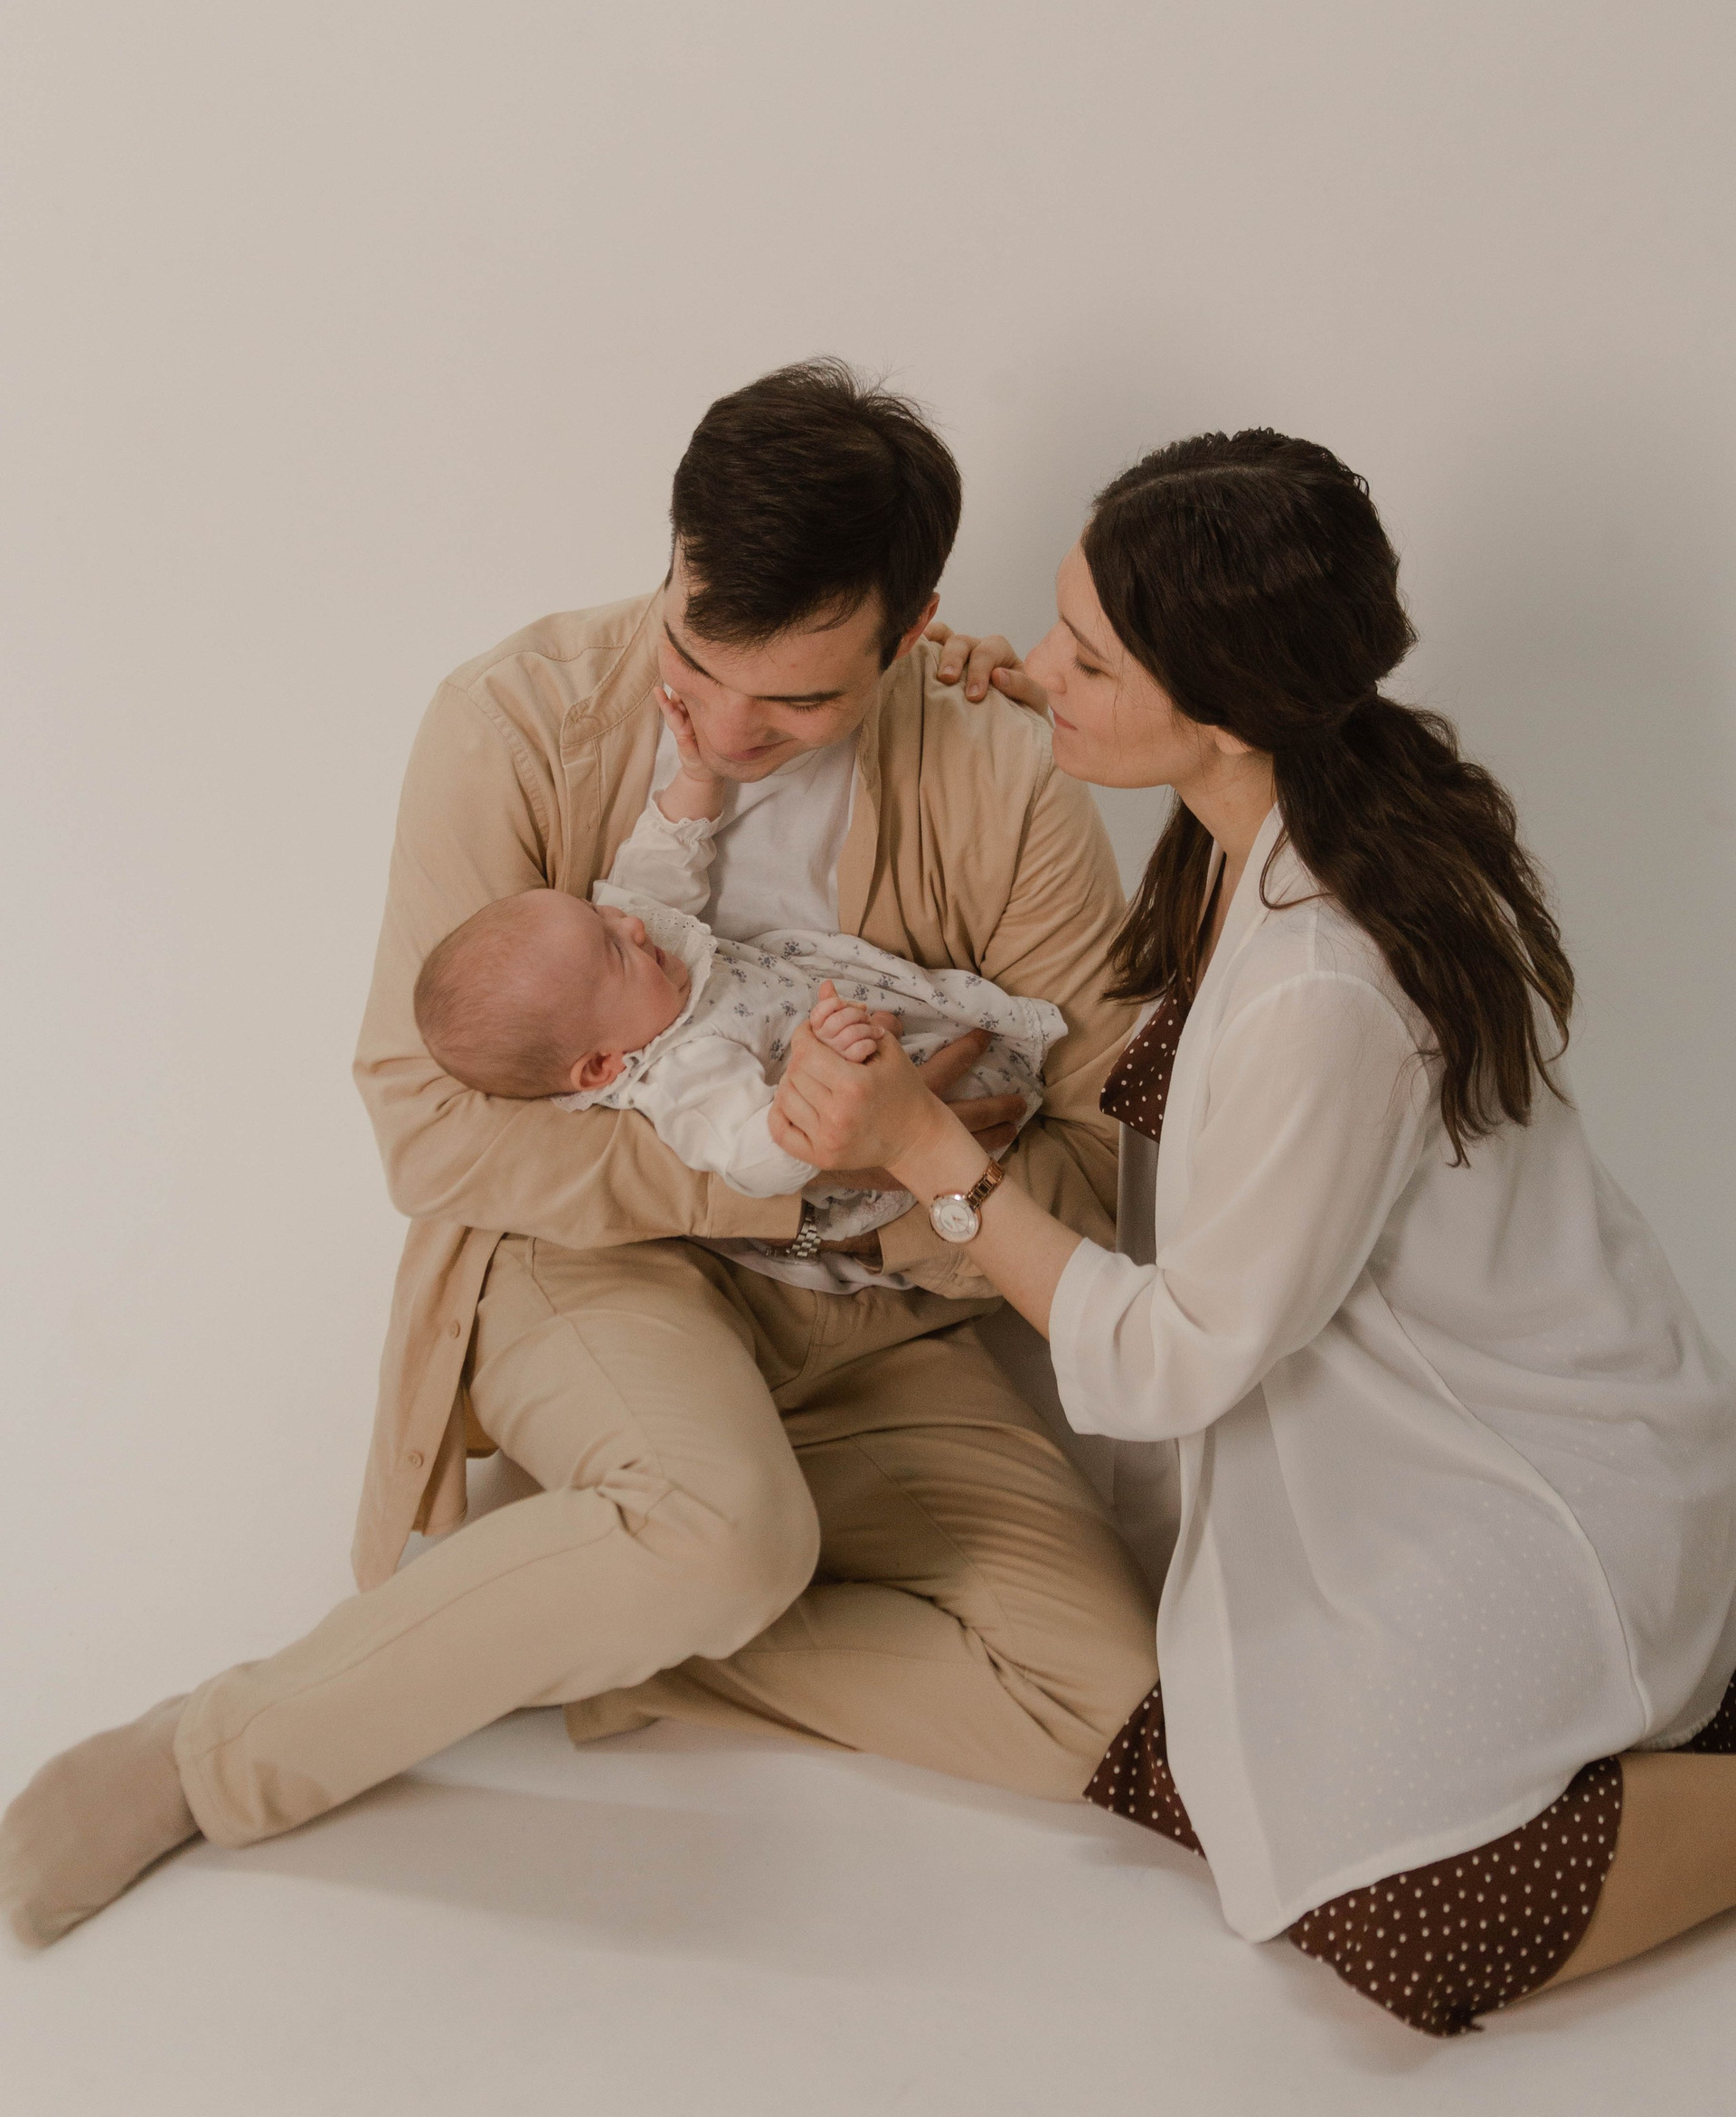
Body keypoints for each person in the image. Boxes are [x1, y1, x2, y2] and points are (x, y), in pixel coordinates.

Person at [0, 358, 1157, 1950]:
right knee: (731, 1533)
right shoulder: (516, 721)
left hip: (887, 1316)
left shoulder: (1002, 775)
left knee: (1116, 1709)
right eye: (698, 662)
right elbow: (428, 1124)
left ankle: (550, 1613)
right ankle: (217, 1754)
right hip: (600, 1269)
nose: (731, 730)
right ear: (673, 562)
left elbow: (1097, 1169)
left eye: (801, 703)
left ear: (911, 632)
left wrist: (893, 1198)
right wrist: (847, 1164)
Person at [771, 428, 1736, 2037]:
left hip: (1524, 1474)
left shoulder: (1322, 984)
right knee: (1240, 1769)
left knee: (1396, 1922)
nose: (1037, 662)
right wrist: (1043, 696)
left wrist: (928, 1156)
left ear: (1223, 712)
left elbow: (1175, 1359)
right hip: (1460, 1425)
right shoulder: (1305, 801)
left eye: (1088, 656)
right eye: (1057, 627)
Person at [412, 683, 1067, 1250]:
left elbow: (660, 858)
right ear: (603, 1066)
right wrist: (816, 1080)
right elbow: (753, 1156)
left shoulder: (642, 963)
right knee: (973, 1092)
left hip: (864, 1009)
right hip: (860, 1110)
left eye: (597, 914)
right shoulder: (683, 1076)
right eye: (614, 950)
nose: (630, 925)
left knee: (946, 1021)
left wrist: (697, 775)